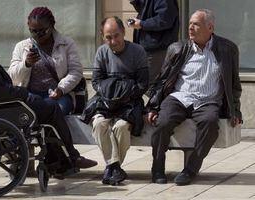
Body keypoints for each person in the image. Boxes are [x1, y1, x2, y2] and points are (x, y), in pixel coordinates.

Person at [0, 21, 97, 176]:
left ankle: (56, 159)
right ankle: (68, 157)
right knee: (51, 109)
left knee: (48, 108)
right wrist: (24, 91)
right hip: (2, 107)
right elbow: (0, 90)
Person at [146, 9, 242, 186]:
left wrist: (235, 109)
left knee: (211, 124)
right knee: (163, 122)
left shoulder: (228, 49)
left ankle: (190, 170)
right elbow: (162, 80)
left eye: (196, 24)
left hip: (208, 100)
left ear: (210, 27)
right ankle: (158, 167)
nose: (190, 27)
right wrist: (153, 107)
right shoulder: (177, 48)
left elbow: (234, 83)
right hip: (179, 97)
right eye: (190, 23)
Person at [91, 16, 148, 185]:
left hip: (130, 102)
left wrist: (124, 95)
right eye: (108, 37)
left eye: (116, 35)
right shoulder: (101, 52)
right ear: (103, 37)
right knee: (99, 124)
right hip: (106, 102)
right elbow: (95, 82)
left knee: (121, 127)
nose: (113, 41)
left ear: (124, 32)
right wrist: (110, 95)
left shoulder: (138, 51)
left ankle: (111, 167)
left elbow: (143, 84)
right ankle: (115, 167)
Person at [9, 7, 83, 115]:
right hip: (30, 96)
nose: (38, 35)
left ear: (52, 26)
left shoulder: (67, 44)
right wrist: (26, 64)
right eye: (33, 31)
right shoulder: (21, 47)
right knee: (26, 116)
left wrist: (61, 89)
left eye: (42, 31)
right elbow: (12, 77)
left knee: (56, 112)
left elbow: (76, 71)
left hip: (58, 95)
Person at [128, 0, 179, 85]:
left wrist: (142, 24)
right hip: (148, 48)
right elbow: (146, 11)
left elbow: (164, 19)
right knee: (146, 83)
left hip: (157, 50)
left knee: (151, 85)